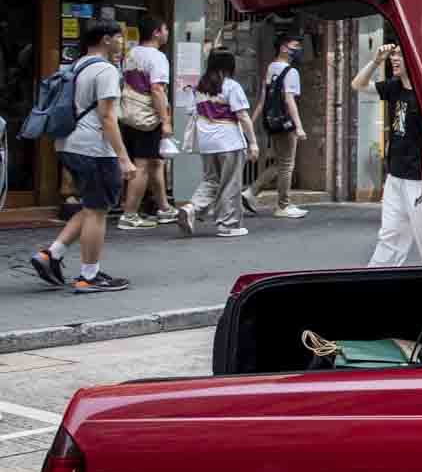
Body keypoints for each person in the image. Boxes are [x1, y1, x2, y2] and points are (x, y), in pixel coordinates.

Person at [31, 19, 135, 293]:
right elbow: (108, 116)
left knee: (91, 206)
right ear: (106, 40)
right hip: (94, 148)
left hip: (68, 143)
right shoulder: (105, 70)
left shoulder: (76, 66)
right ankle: (89, 276)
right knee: (98, 211)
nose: (122, 43)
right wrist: (123, 157)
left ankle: (51, 254)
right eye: (119, 37)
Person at [355, 43, 422, 267]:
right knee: (391, 235)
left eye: (400, 55)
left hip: (418, 179)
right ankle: (376, 280)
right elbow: (358, 84)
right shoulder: (394, 87)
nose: (394, 59)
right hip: (395, 175)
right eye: (393, 55)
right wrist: (376, 60)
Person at [175, 49, 257, 239]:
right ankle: (228, 224)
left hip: (207, 142)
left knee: (211, 180)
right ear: (230, 65)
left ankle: (191, 208)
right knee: (230, 183)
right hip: (229, 141)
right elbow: (243, 116)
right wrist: (253, 142)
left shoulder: (199, 88)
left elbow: (191, 112)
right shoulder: (231, 86)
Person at [115, 19, 175, 231]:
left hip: (130, 114)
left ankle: (164, 208)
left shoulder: (131, 54)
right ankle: (129, 214)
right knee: (141, 166)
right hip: (148, 117)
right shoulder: (157, 57)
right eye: (166, 29)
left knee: (154, 162)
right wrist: (166, 120)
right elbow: (157, 89)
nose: (167, 33)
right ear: (157, 32)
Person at [245, 31, 308, 220]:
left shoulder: (271, 67)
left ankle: (250, 192)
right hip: (286, 122)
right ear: (283, 47)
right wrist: (299, 126)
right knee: (287, 164)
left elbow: (263, 99)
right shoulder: (291, 72)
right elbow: (289, 100)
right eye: (295, 46)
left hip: (271, 122)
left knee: (281, 162)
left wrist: (253, 121)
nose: (298, 50)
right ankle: (283, 205)